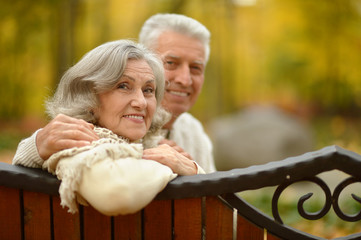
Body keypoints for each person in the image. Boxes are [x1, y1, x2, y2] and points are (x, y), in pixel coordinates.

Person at [13, 39, 204, 215]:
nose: (141, 102)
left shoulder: (155, 148)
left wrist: (193, 171)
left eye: (148, 90)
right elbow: (118, 194)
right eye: (123, 86)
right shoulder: (78, 143)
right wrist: (167, 167)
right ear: (89, 97)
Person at [13, 13, 216, 174]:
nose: (185, 79)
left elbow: (221, 211)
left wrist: (195, 172)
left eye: (196, 68)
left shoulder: (194, 132)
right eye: (171, 63)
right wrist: (36, 145)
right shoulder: (93, 137)